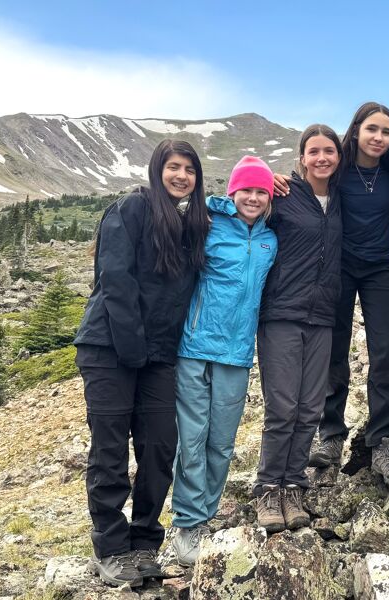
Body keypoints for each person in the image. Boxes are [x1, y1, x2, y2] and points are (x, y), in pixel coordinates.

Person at [73, 139, 209, 587]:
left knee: (160, 447)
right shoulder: (131, 208)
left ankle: (145, 541)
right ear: (157, 170)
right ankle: (111, 548)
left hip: (159, 356)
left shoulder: (191, 224)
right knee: (110, 450)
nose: (181, 176)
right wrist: (134, 350)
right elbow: (115, 279)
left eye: (189, 169)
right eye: (173, 167)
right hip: (109, 349)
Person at [169, 156, 277, 565]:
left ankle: (205, 517)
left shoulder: (270, 239)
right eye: (245, 190)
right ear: (232, 192)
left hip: (237, 354)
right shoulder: (206, 224)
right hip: (194, 347)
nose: (253, 198)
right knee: (192, 439)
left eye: (261, 191)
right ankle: (187, 524)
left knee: (222, 443)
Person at [304, 103, 389, 485]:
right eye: (372, 129)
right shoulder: (339, 167)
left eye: (386, 131)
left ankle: (384, 441)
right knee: (334, 349)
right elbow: (309, 181)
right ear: (357, 130)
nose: (378, 137)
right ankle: (331, 435)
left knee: (385, 351)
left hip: (380, 268)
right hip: (339, 267)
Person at [253, 125, 343, 533]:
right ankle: (268, 487)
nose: (322, 158)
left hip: (323, 317)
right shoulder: (282, 195)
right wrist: (261, 178)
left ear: (338, 156)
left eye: (329, 151)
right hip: (282, 314)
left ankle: (293, 486)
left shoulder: (341, 198)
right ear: (302, 157)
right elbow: (238, 206)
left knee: (309, 408)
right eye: (314, 151)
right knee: (282, 407)